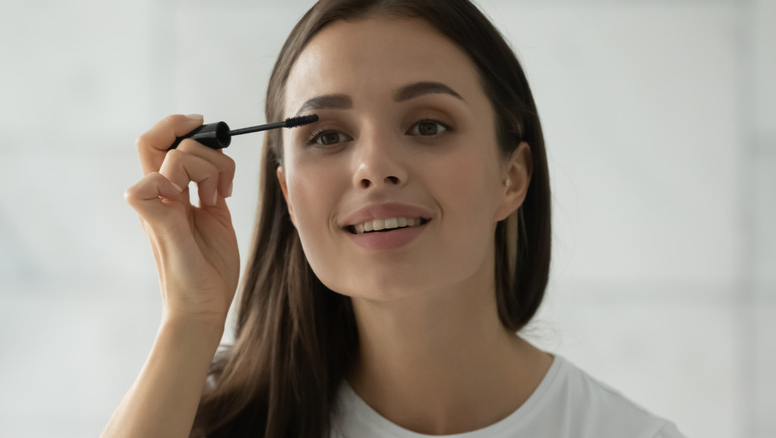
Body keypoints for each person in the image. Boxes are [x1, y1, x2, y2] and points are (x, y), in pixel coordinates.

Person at [102, 1, 685, 437]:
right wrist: (191, 319)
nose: (374, 168)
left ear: (511, 177)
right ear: (288, 197)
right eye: (328, 136)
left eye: (428, 126)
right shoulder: (197, 421)